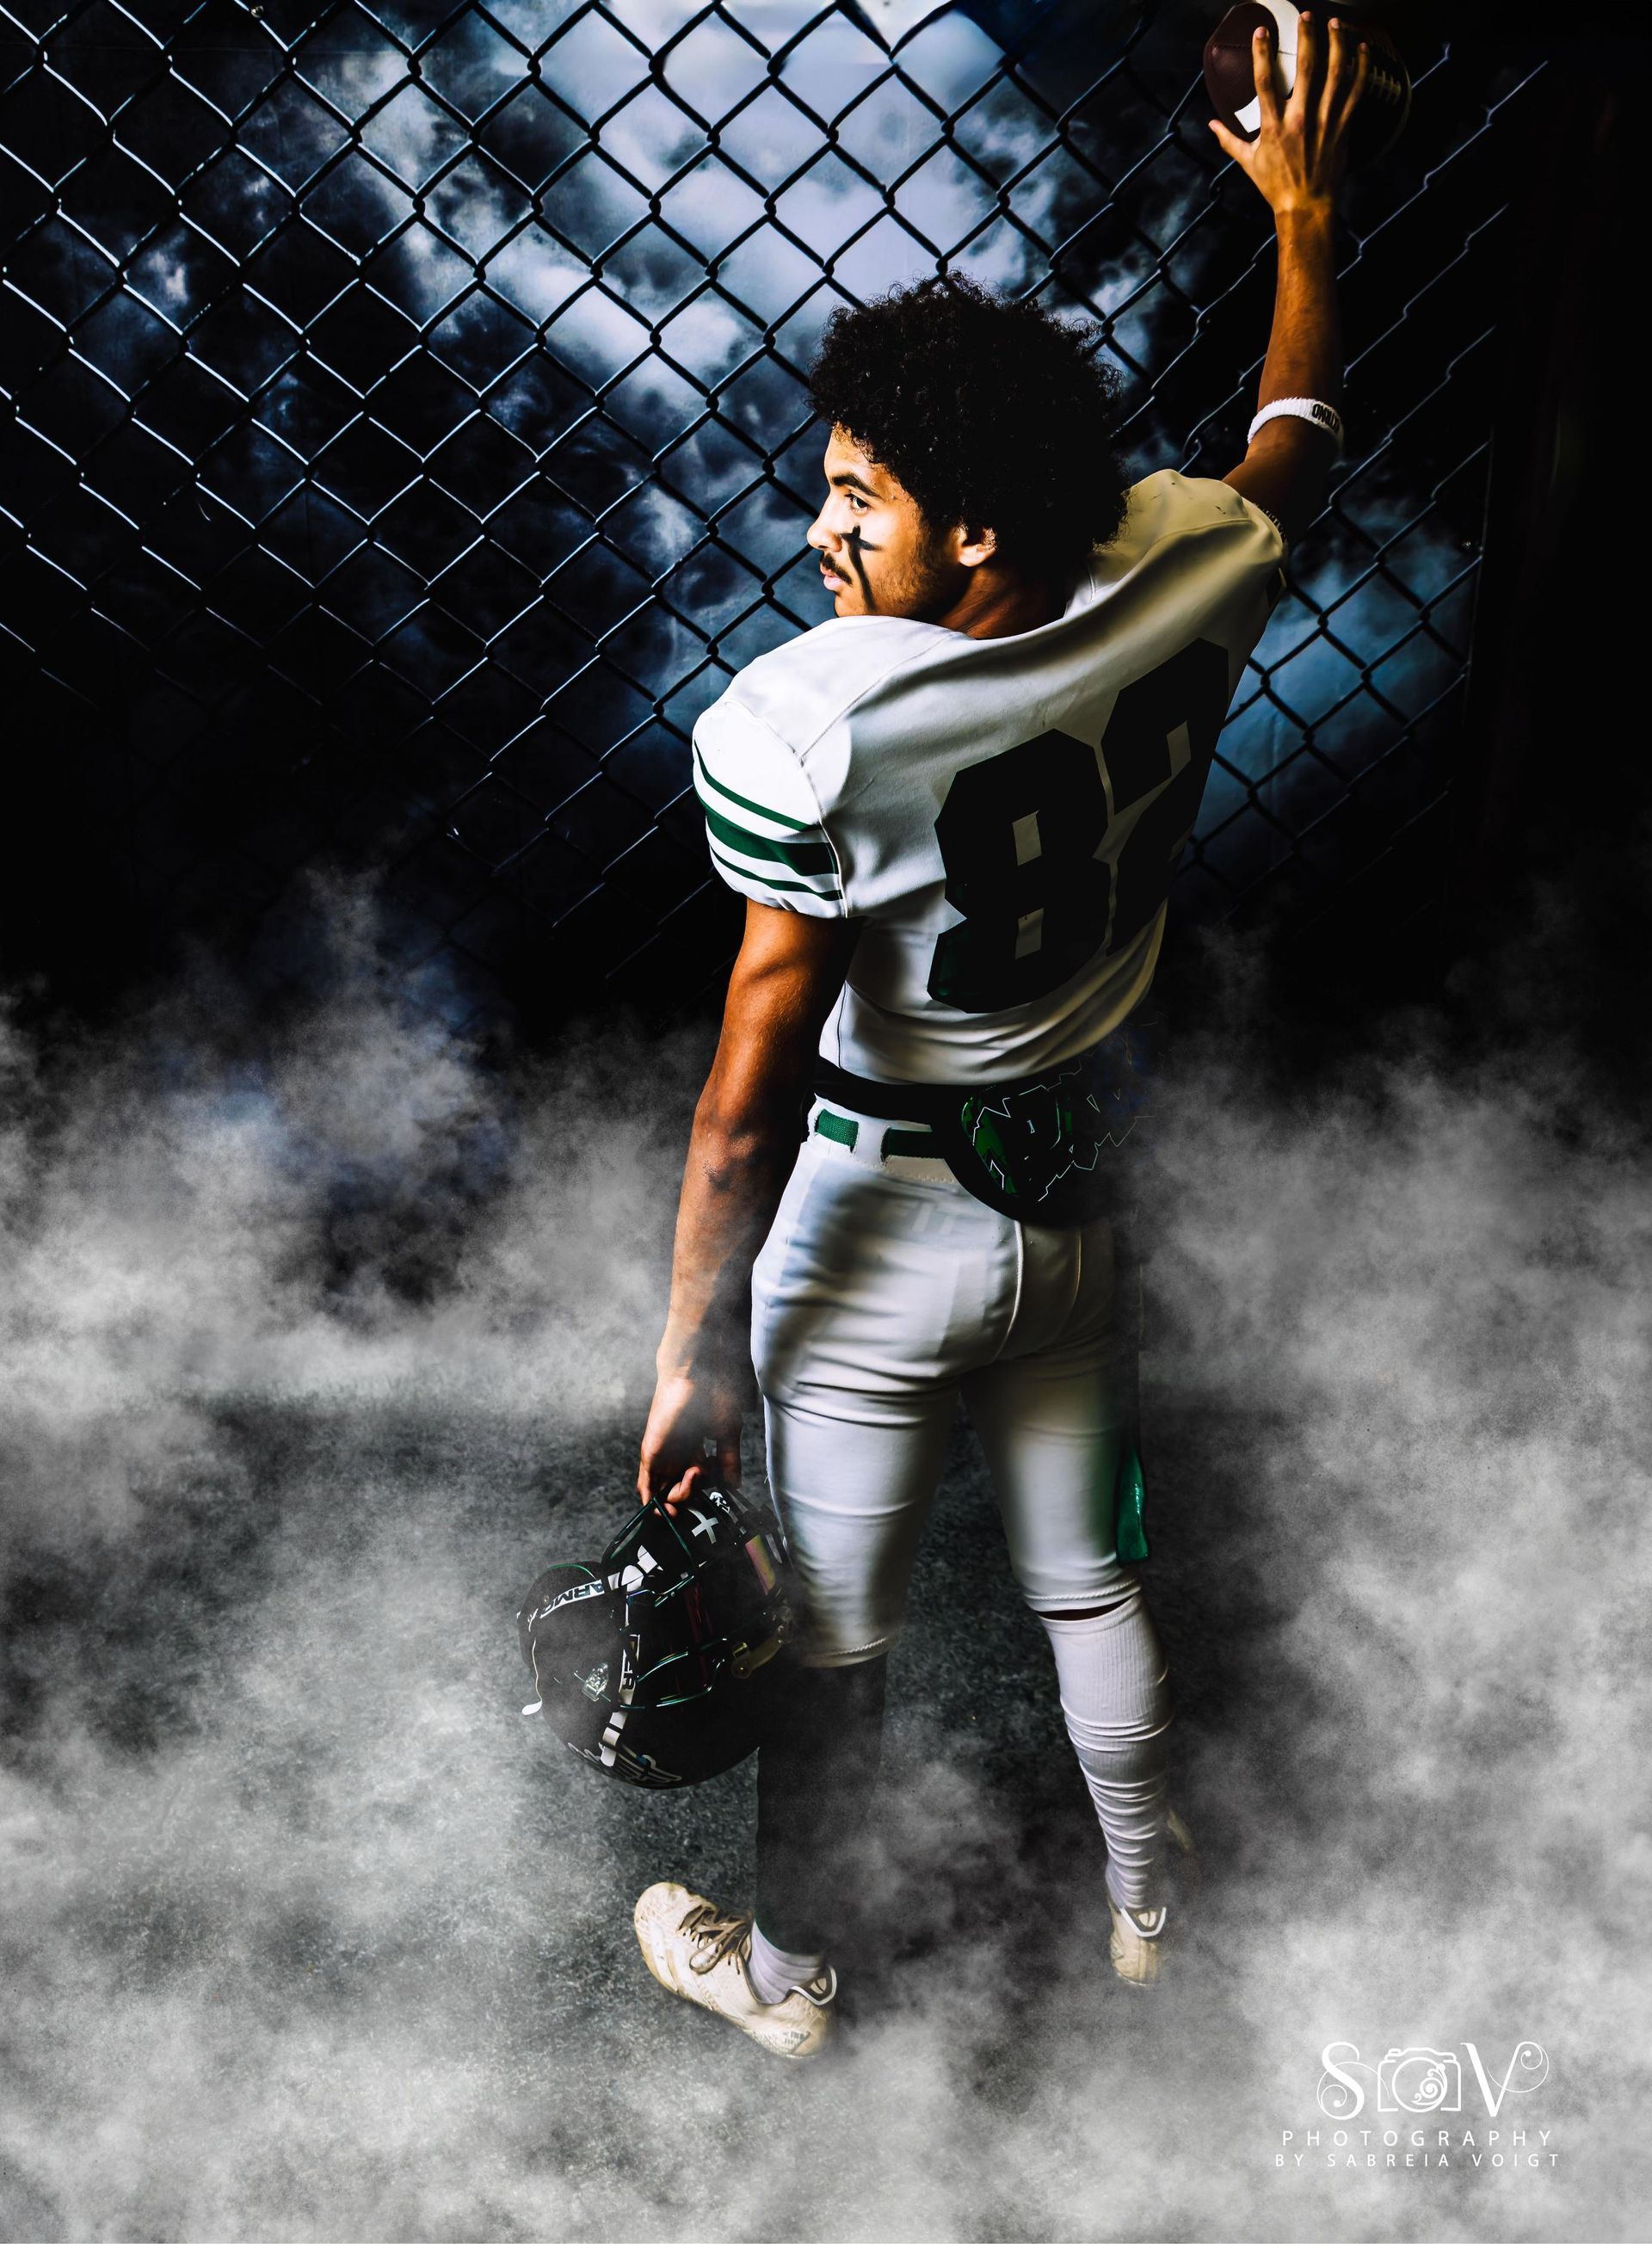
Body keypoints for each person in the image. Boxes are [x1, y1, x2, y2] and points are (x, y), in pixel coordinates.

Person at [630, 11, 1369, 2060]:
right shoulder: (1181, 569)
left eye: (855, 499)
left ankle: (788, 1977)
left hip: (877, 1217)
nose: (818, 532)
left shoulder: (819, 722)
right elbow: (1296, 432)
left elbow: (739, 1106)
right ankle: (1146, 1899)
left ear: (968, 529)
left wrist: (691, 1351)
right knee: (1089, 1577)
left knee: (837, 1631)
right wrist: (1312, 218)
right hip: (1071, 1197)